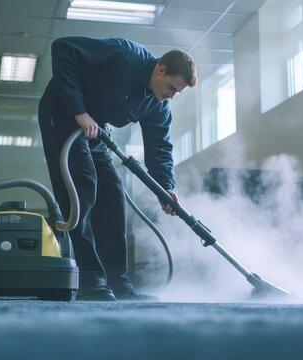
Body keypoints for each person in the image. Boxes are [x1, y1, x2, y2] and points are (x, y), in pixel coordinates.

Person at [37, 36, 197, 301]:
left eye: (176, 93)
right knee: (82, 187)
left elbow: (159, 149)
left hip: (95, 127)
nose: (171, 96)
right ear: (160, 69)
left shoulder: (158, 105)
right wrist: (78, 110)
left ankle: (118, 282)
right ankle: (90, 278)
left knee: (112, 192)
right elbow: (62, 48)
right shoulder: (123, 55)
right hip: (62, 112)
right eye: (171, 87)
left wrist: (165, 187)